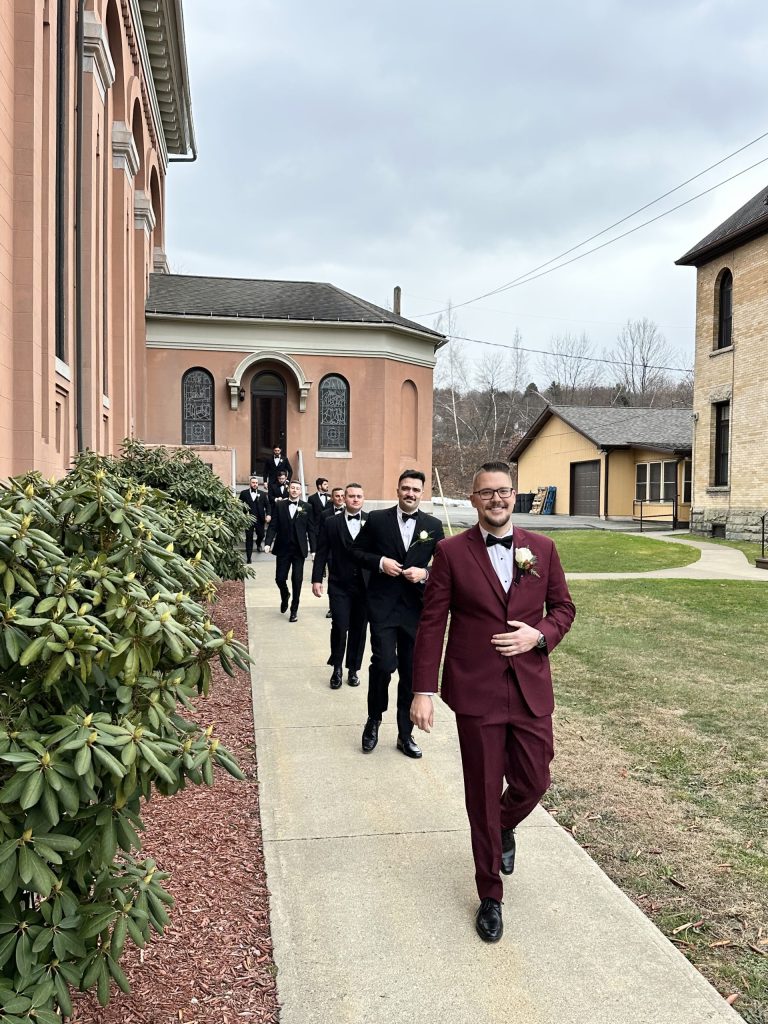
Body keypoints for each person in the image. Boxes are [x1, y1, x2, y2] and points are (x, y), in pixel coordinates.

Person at [410, 461, 575, 944]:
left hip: (529, 687)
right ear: (473, 499)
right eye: (486, 493)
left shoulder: (542, 549)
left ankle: (502, 826)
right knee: (481, 792)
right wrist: (424, 690)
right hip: (476, 690)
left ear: (514, 495)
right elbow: (432, 623)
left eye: (503, 492)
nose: (496, 500)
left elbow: (563, 608)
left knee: (535, 779)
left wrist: (538, 635)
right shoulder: (450, 552)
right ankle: (490, 895)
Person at [351, 469, 443, 758]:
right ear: (398, 490)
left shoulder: (433, 525)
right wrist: (380, 563)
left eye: (416, 489)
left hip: (416, 610)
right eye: (406, 488)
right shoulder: (377, 520)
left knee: (410, 671)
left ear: (422, 493)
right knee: (383, 664)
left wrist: (426, 572)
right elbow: (355, 552)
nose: (410, 493)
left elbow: (444, 567)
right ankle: (374, 719)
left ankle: (406, 734)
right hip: (382, 606)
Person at [311, 483, 369, 689]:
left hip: (365, 586)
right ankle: (336, 667)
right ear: (343, 498)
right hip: (339, 585)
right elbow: (322, 551)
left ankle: (353, 669)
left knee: (359, 629)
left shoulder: (372, 521)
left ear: (363, 499)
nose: (355, 499)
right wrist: (317, 579)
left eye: (358, 496)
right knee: (339, 627)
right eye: (351, 496)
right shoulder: (331, 522)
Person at [264, 479, 315, 622]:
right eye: (292, 488)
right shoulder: (280, 505)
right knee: (280, 578)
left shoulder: (307, 507)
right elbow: (273, 525)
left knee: (297, 580)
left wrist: (314, 550)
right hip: (283, 548)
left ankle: (294, 610)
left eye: (297, 488)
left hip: (299, 549)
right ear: (288, 489)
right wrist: (268, 542)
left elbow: (311, 530)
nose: (294, 490)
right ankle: (285, 595)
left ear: (300, 491)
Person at [238, 476, 271, 563]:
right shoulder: (244, 493)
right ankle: (249, 557)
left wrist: (268, 515)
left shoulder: (263, 494)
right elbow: (239, 506)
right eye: (253, 483)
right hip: (248, 519)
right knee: (249, 538)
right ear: (250, 483)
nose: (255, 484)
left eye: (256, 483)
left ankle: (258, 543)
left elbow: (268, 506)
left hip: (260, 519)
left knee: (261, 535)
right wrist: (242, 516)